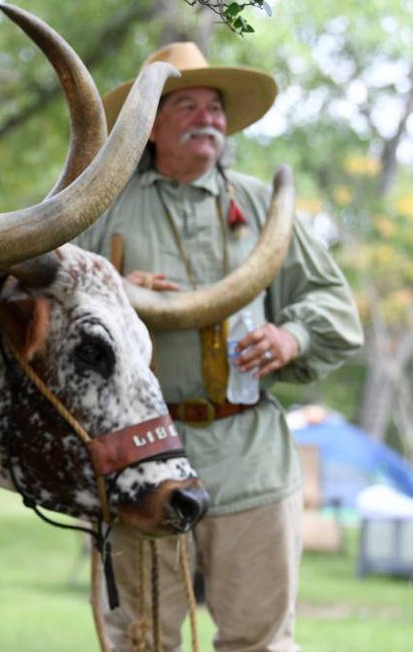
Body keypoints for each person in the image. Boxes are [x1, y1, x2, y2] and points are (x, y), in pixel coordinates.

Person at [74, 42, 363, 651]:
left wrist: (293, 335)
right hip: (139, 459)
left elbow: (337, 310)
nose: (208, 116)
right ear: (151, 125)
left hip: (251, 457)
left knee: (260, 640)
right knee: (141, 639)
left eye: (215, 106)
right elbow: (46, 305)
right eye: (186, 105)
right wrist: (115, 290)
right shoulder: (102, 203)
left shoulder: (264, 205)